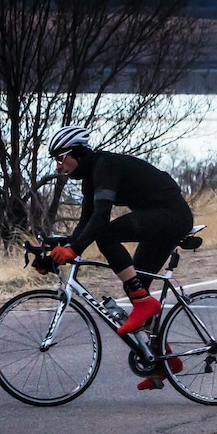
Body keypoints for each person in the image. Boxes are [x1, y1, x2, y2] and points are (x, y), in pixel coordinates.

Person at [42, 125, 194, 391]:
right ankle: (166, 362)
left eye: (59, 158)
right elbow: (85, 222)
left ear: (73, 153)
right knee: (139, 288)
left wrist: (74, 250)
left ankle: (142, 302)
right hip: (156, 220)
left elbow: (101, 219)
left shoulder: (105, 165)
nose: (58, 167)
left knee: (106, 236)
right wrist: (56, 255)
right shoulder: (91, 176)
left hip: (171, 217)